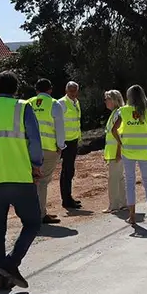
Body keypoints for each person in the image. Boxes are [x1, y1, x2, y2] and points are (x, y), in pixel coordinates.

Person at [0, 70, 43, 293]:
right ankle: (11, 264)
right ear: (16, 89)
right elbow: (34, 138)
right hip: (20, 175)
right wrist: (36, 163)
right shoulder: (23, 107)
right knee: (33, 222)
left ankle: (1, 277)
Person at [113, 84, 147, 228]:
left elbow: (114, 130)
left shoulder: (123, 111)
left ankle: (132, 216)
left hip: (129, 151)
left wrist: (121, 142)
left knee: (130, 183)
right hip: (145, 151)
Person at [28, 78, 65, 225]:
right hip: (49, 149)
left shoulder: (28, 103)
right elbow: (60, 128)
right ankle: (41, 214)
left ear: (36, 90)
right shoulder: (54, 104)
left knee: (32, 181)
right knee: (42, 182)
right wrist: (60, 146)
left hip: (30, 149)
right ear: (50, 90)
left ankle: (31, 213)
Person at [57, 81, 83, 210]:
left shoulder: (76, 102)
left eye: (75, 90)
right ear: (66, 90)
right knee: (66, 171)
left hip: (73, 140)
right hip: (65, 141)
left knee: (70, 170)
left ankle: (68, 197)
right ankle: (66, 200)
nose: (73, 93)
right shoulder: (61, 103)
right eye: (71, 90)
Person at [102, 89, 126, 214]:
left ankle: (114, 205)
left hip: (116, 152)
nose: (105, 101)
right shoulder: (115, 113)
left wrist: (118, 151)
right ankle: (123, 203)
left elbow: (119, 134)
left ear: (113, 100)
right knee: (120, 178)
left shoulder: (118, 113)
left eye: (107, 99)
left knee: (113, 179)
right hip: (113, 151)